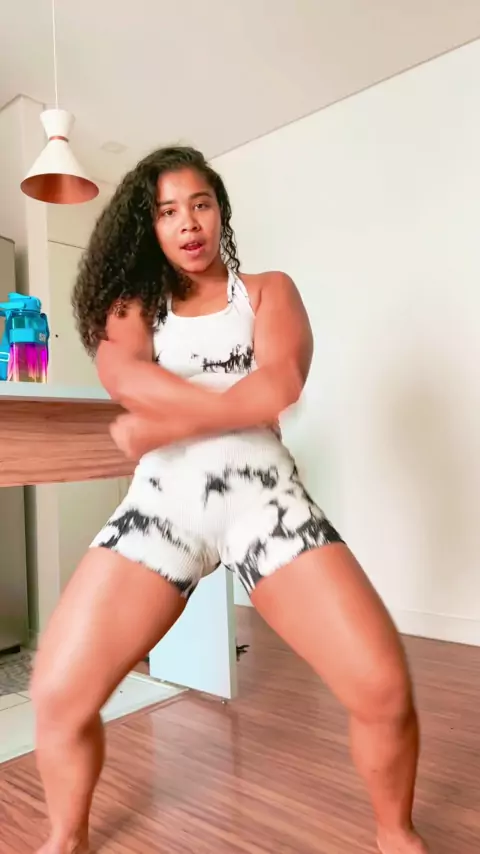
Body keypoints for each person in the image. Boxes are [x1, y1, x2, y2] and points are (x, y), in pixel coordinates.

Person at [31, 146, 428, 854]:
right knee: (59, 695)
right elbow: (128, 380)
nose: (188, 223)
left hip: (264, 502)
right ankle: (66, 838)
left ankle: (396, 835)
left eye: (200, 204)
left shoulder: (267, 292)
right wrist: (227, 406)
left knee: (383, 688)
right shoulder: (132, 308)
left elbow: (280, 384)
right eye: (167, 212)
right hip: (164, 508)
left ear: (221, 212)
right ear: (149, 228)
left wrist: (166, 424)